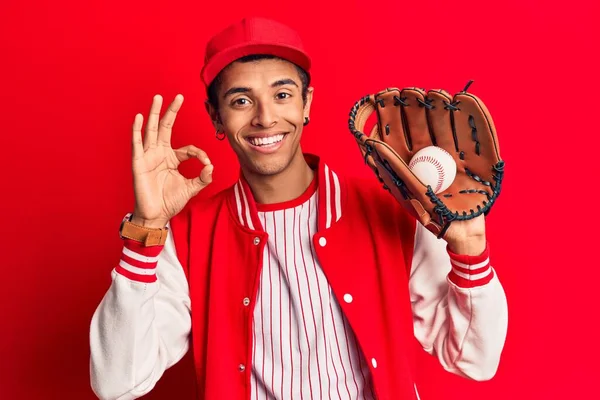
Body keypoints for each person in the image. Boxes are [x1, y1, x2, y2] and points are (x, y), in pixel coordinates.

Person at [89, 16, 508, 400]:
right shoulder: (185, 236)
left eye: (282, 94)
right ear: (215, 118)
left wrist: (470, 247)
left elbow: (474, 358)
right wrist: (146, 227)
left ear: (306, 104)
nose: (266, 117)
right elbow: (116, 382)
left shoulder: (392, 211)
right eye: (241, 101)